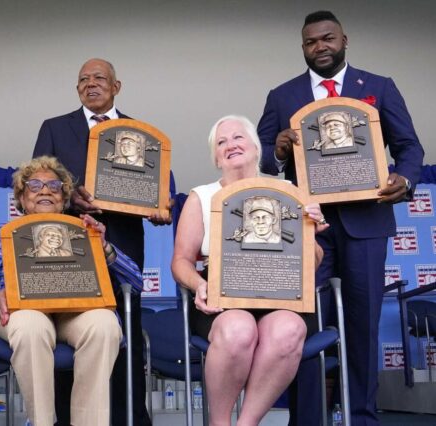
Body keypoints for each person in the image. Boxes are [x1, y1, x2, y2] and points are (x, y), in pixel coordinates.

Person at [256, 10, 424, 425]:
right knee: (304, 328)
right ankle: (307, 419)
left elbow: (410, 147)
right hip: (305, 229)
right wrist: (277, 150)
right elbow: (261, 156)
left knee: (363, 326)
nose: (320, 47)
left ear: (344, 40)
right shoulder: (282, 96)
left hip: (366, 224)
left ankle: (362, 417)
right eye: (311, 42)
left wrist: (405, 177)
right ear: (303, 48)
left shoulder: (380, 88)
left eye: (327, 38)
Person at [33, 58, 168, 425]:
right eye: (83, 80)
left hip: (122, 246)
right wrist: (68, 196)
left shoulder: (140, 133)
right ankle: (65, 418)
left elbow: (163, 189)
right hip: (66, 249)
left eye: (99, 79)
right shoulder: (55, 128)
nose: (90, 84)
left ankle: (131, 418)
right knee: (69, 330)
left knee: (124, 332)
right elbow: (37, 186)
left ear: (116, 86)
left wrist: (162, 205)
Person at [171, 115, 328, 426]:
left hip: (283, 296)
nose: (231, 145)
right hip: (223, 298)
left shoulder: (289, 190)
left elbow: (315, 260)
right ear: (215, 157)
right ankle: (219, 422)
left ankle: (247, 423)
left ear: (256, 148)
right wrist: (197, 285)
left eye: (238, 138)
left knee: (288, 331)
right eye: (221, 142)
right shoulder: (200, 196)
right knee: (238, 330)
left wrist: (310, 229)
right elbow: (181, 261)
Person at [0, 156, 143, 426]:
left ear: (64, 198)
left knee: (104, 324)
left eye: (54, 186)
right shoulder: (0, 234)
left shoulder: (85, 232)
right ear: (20, 196)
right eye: (34, 185)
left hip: (73, 313)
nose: (45, 190)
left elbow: (135, 283)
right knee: (31, 326)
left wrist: (104, 247)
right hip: (22, 312)